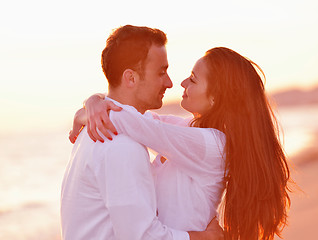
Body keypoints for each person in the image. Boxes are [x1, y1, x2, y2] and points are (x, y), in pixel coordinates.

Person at [71, 46, 292, 239]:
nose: (183, 82)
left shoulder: (212, 145)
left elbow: (134, 123)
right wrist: (93, 101)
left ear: (215, 97)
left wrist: (90, 109)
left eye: (193, 79)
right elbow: (139, 118)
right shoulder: (190, 130)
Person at [61, 25, 223, 240]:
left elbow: (149, 126)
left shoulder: (97, 127)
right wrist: (206, 238)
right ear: (130, 78)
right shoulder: (119, 143)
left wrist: (91, 104)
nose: (170, 82)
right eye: (161, 72)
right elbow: (142, 237)